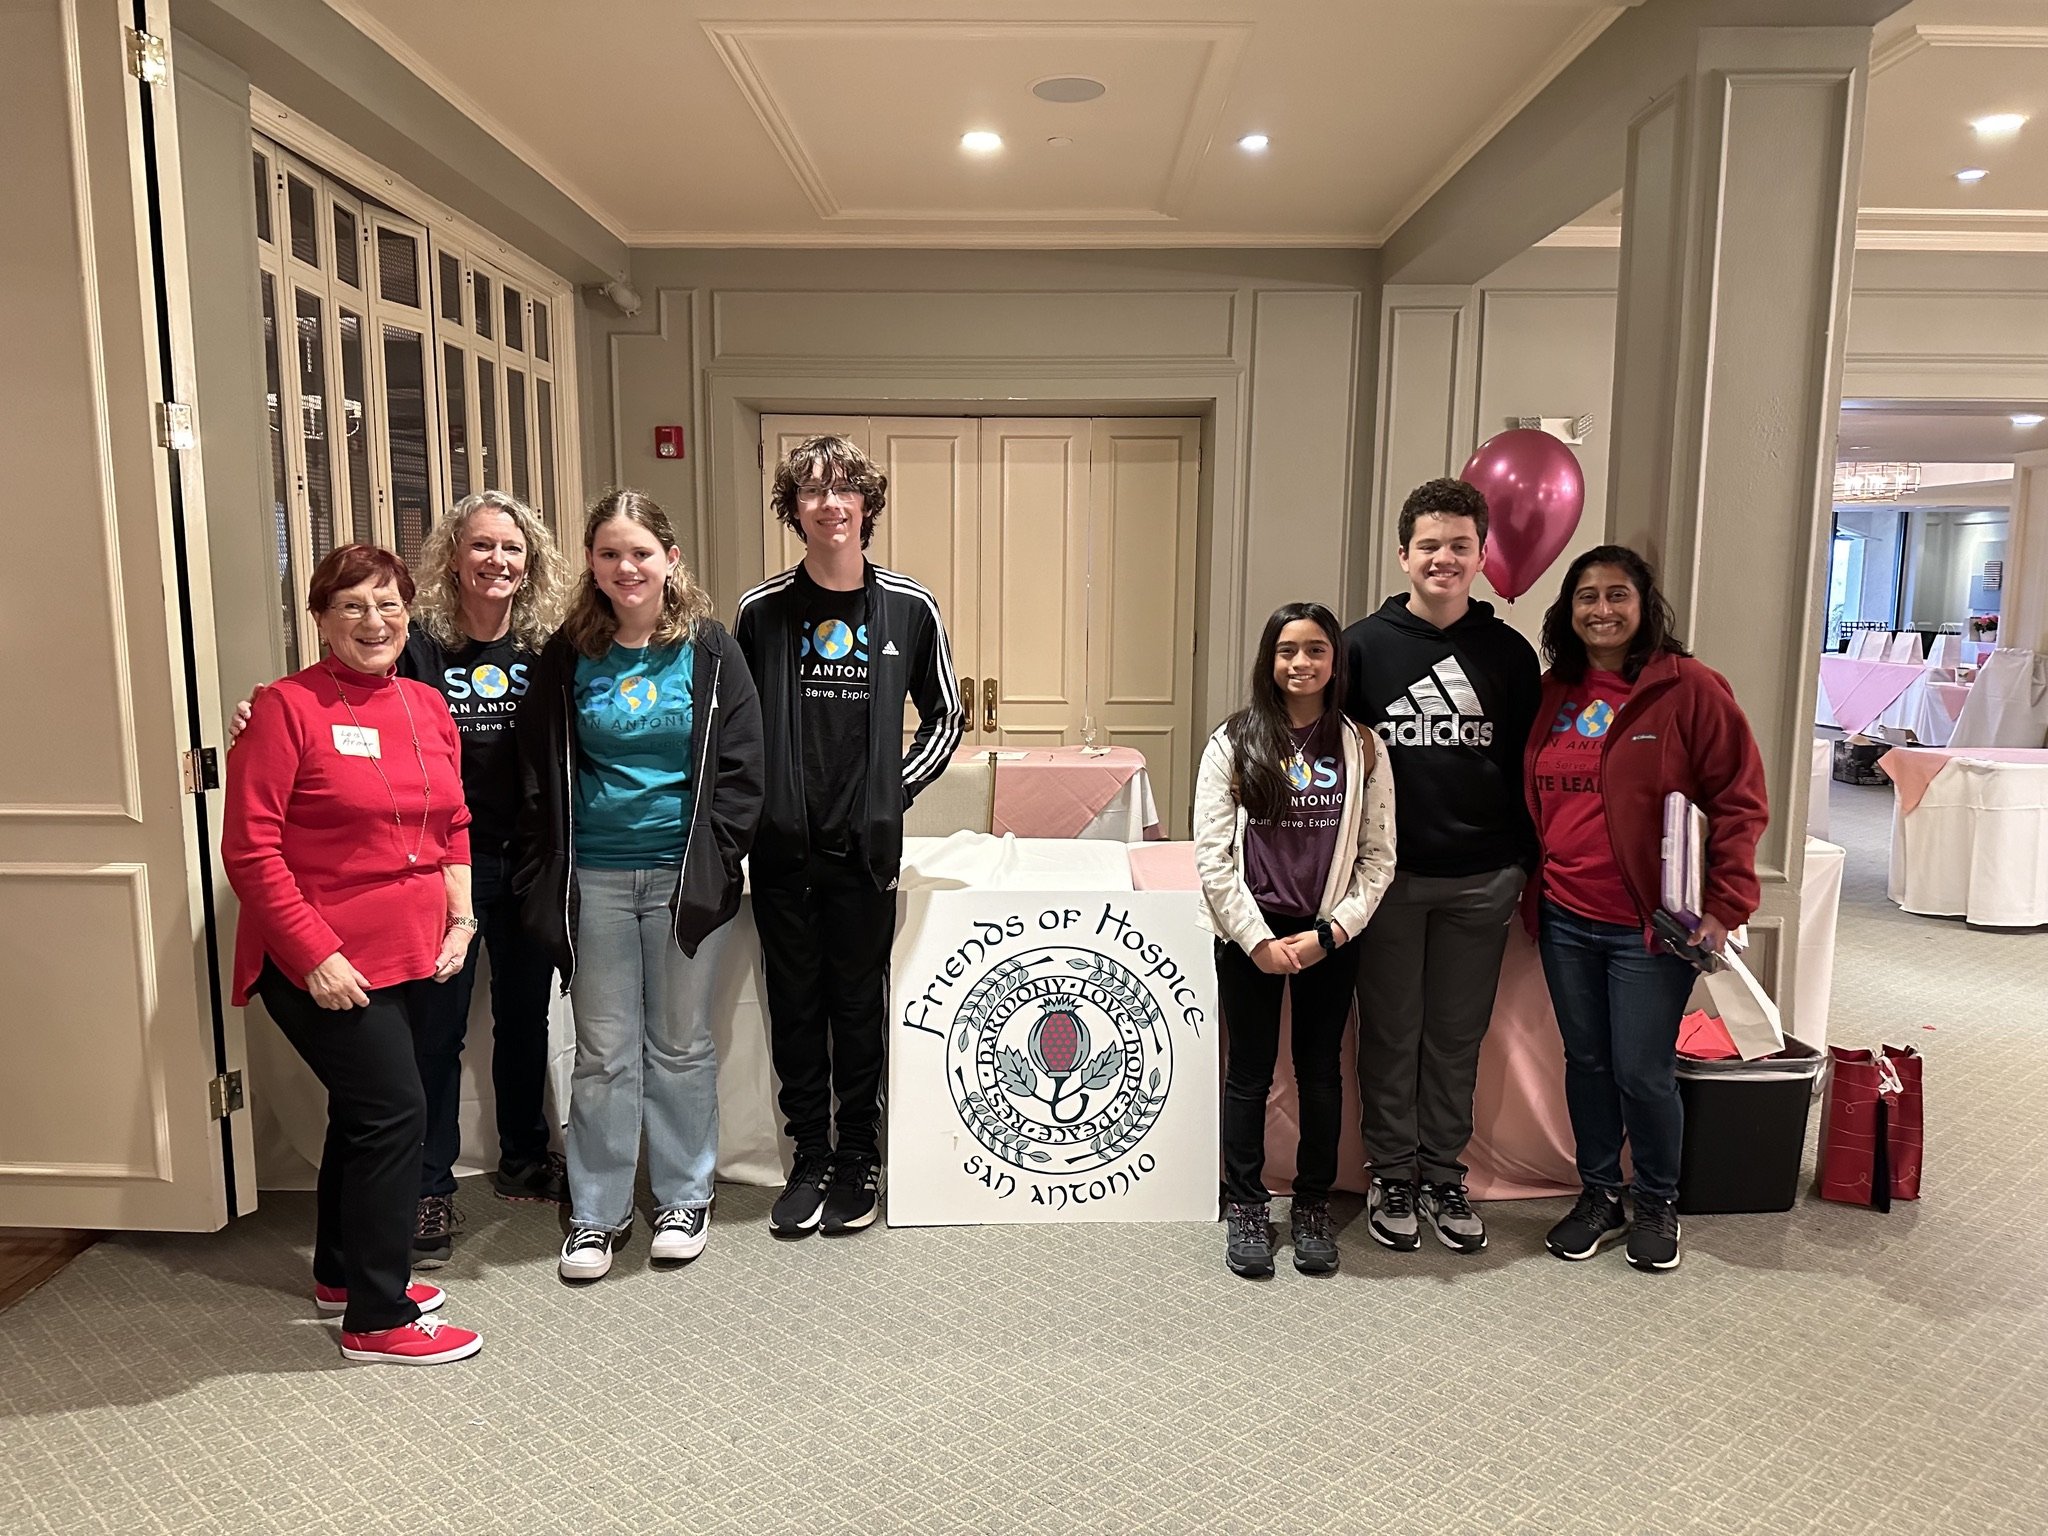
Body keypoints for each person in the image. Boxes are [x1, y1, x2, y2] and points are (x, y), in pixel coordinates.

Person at [232, 491, 573, 1270]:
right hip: (427, 869)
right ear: (453, 557)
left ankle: (523, 1154)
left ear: (531, 562)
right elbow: (340, 702)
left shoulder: (545, 648)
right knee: (433, 1033)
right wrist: (258, 711)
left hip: (522, 861)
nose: (497, 561)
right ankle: (427, 1184)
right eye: (481, 545)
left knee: (524, 1020)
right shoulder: (414, 644)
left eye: (511, 548)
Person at [222, 544, 482, 1366]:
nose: (375, 623)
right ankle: (377, 1315)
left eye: (390, 606)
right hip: (320, 958)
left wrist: (462, 921)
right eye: (353, 607)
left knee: (365, 1113)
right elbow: (251, 852)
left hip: (409, 950)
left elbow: (452, 826)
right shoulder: (284, 708)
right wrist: (315, 955)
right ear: (321, 618)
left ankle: (340, 1271)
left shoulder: (425, 706)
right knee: (395, 1112)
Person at [517, 490, 764, 1282]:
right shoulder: (568, 654)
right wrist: (541, 869)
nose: (626, 568)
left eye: (640, 553)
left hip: (683, 879)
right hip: (592, 879)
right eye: (609, 554)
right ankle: (597, 1211)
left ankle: (685, 1196)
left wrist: (718, 859)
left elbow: (742, 770)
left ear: (671, 560)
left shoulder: (711, 651)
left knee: (682, 1045)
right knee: (603, 1052)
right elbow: (534, 772)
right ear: (591, 564)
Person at [735, 435, 964, 1237]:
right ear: (793, 510)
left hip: (865, 853)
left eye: (844, 490)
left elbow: (947, 716)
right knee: (795, 1007)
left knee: (857, 1007)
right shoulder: (760, 612)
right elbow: (738, 729)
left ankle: (858, 1156)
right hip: (782, 850)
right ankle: (809, 1155)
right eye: (812, 491)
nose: (830, 503)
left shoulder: (909, 607)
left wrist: (887, 792)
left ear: (866, 504)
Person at [1525, 545, 1766, 1273]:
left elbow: (1739, 799)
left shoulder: (1688, 689)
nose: (1602, 609)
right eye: (1586, 597)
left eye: (1617, 594)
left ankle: (1656, 1199)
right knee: (1588, 1061)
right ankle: (1600, 1193)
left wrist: (1726, 903)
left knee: (1642, 1069)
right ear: (1568, 612)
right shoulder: (1553, 690)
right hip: (1565, 914)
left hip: (1649, 927)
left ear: (1644, 603)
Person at [1343, 477, 1540, 1256]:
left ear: (1482, 556)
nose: (1444, 559)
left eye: (1461, 545)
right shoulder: (1361, 648)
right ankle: (1391, 1170)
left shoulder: (1508, 653)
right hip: (1390, 882)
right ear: (1403, 555)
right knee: (1391, 1032)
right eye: (1429, 545)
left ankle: (1441, 1173)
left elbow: (1529, 764)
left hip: (1483, 880)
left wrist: (1522, 863)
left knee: (1457, 1036)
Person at [1195, 603, 1396, 1279]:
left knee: (1319, 1073)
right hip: (1250, 935)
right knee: (1249, 1074)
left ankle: (1311, 1203)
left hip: (1327, 935)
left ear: (1335, 661)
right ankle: (1248, 1203)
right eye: (1287, 650)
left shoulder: (1363, 747)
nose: (1301, 663)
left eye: (1315, 650)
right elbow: (1213, 857)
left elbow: (1379, 857)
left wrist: (1330, 933)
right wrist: (1256, 940)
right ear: (1269, 660)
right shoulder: (1232, 742)